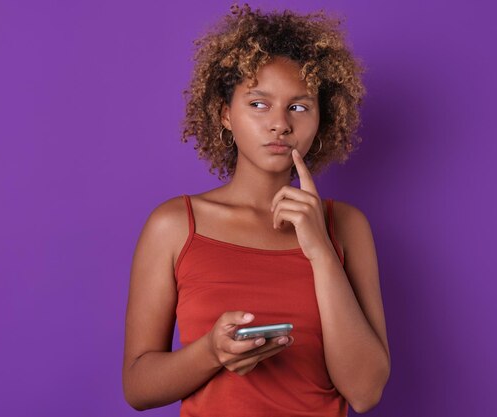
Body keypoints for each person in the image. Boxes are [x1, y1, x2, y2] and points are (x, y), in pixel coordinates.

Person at [122, 4, 390, 416]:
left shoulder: (347, 226)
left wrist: (319, 250)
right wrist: (211, 352)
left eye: (298, 107)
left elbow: (365, 391)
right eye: (259, 104)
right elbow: (138, 387)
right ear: (225, 114)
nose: (280, 124)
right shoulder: (174, 225)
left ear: (322, 118)